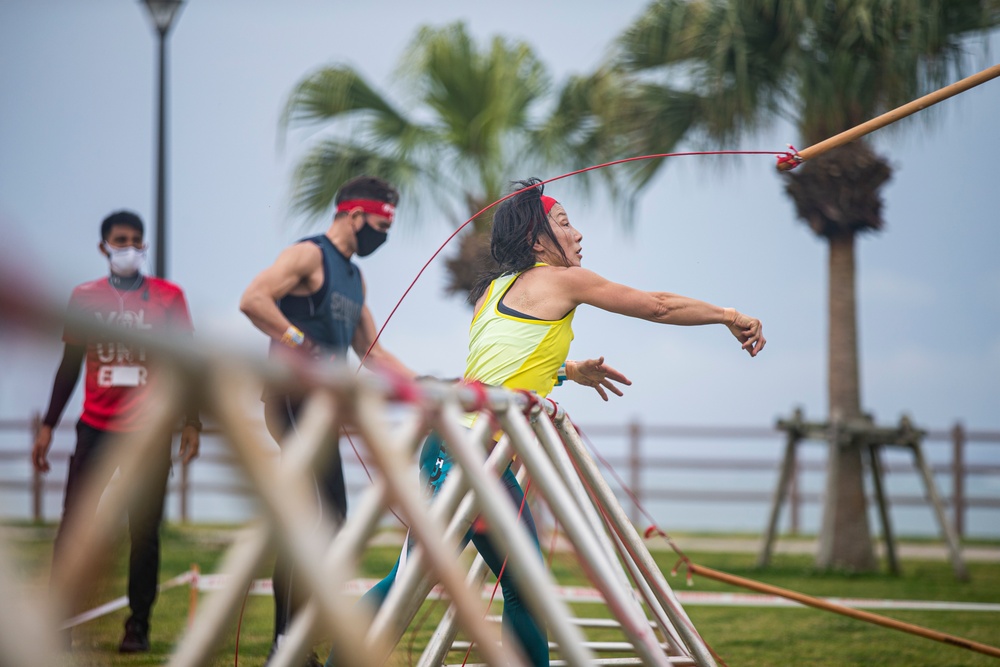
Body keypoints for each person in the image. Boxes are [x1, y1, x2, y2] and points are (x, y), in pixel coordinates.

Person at [342, 178, 765, 666]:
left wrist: (568, 372)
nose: (579, 234)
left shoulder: (494, 290)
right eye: (564, 223)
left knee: (473, 582)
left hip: (456, 446)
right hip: (473, 452)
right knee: (459, 585)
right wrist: (728, 315)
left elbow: (500, 368)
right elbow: (657, 305)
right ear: (536, 239)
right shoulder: (563, 280)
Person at [240, 175, 416, 666]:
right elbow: (253, 299)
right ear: (353, 214)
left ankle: (292, 643)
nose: (382, 235)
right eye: (379, 224)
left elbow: (372, 350)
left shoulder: (355, 279)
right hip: (290, 399)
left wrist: (423, 387)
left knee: (327, 519)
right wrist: (301, 345)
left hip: (322, 410)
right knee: (322, 517)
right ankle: (287, 646)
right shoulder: (308, 256)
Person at [32, 210, 202, 653]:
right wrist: (49, 425)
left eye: (135, 240)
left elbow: (187, 365)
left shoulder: (169, 298)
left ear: (144, 246)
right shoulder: (84, 297)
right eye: (120, 240)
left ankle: (138, 626)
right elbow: (70, 365)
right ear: (104, 246)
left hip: (147, 433)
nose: (128, 247)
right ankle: (59, 625)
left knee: (143, 532)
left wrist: (190, 422)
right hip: (95, 429)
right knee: (74, 528)